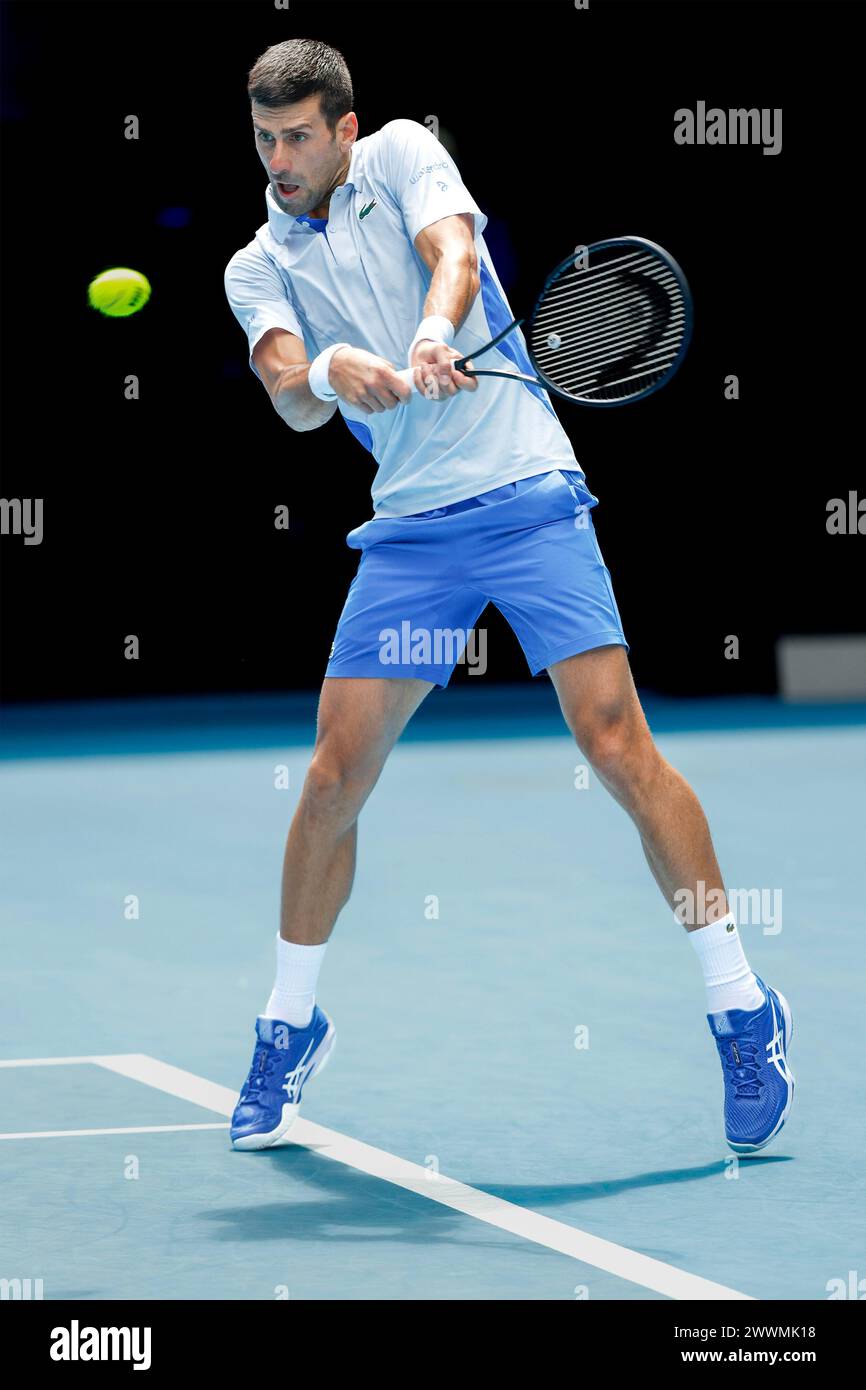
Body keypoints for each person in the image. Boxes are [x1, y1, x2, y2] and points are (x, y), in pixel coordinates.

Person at [224, 38, 794, 1158]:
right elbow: (288, 395)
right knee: (334, 774)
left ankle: (740, 1007)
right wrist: (334, 371)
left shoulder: (397, 155)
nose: (280, 159)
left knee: (616, 743)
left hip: (527, 490)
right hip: (412, 535)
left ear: (343, 128)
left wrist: (435, 332)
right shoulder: (255, 264)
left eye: (297, 136)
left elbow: (455, 253)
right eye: (263, 139)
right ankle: (286, 1028)